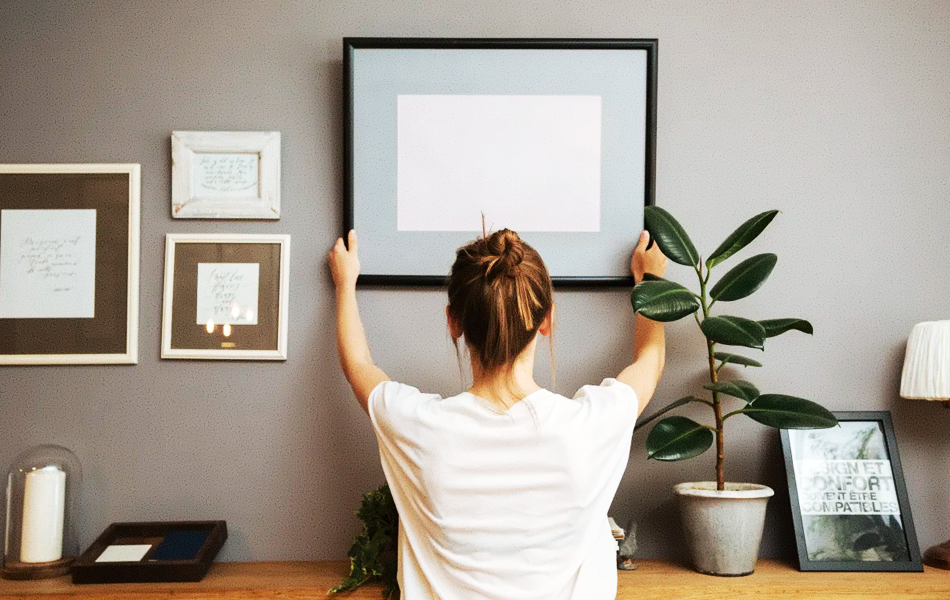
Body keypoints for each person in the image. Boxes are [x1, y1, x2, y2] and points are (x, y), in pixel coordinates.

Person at [328, 228, 667, 600]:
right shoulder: (588, 427)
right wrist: (650, 279)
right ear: (547, 320)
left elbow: (357, 365)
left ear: (453, 322)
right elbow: (649, 362)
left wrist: (345, 283)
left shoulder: (418, 427)